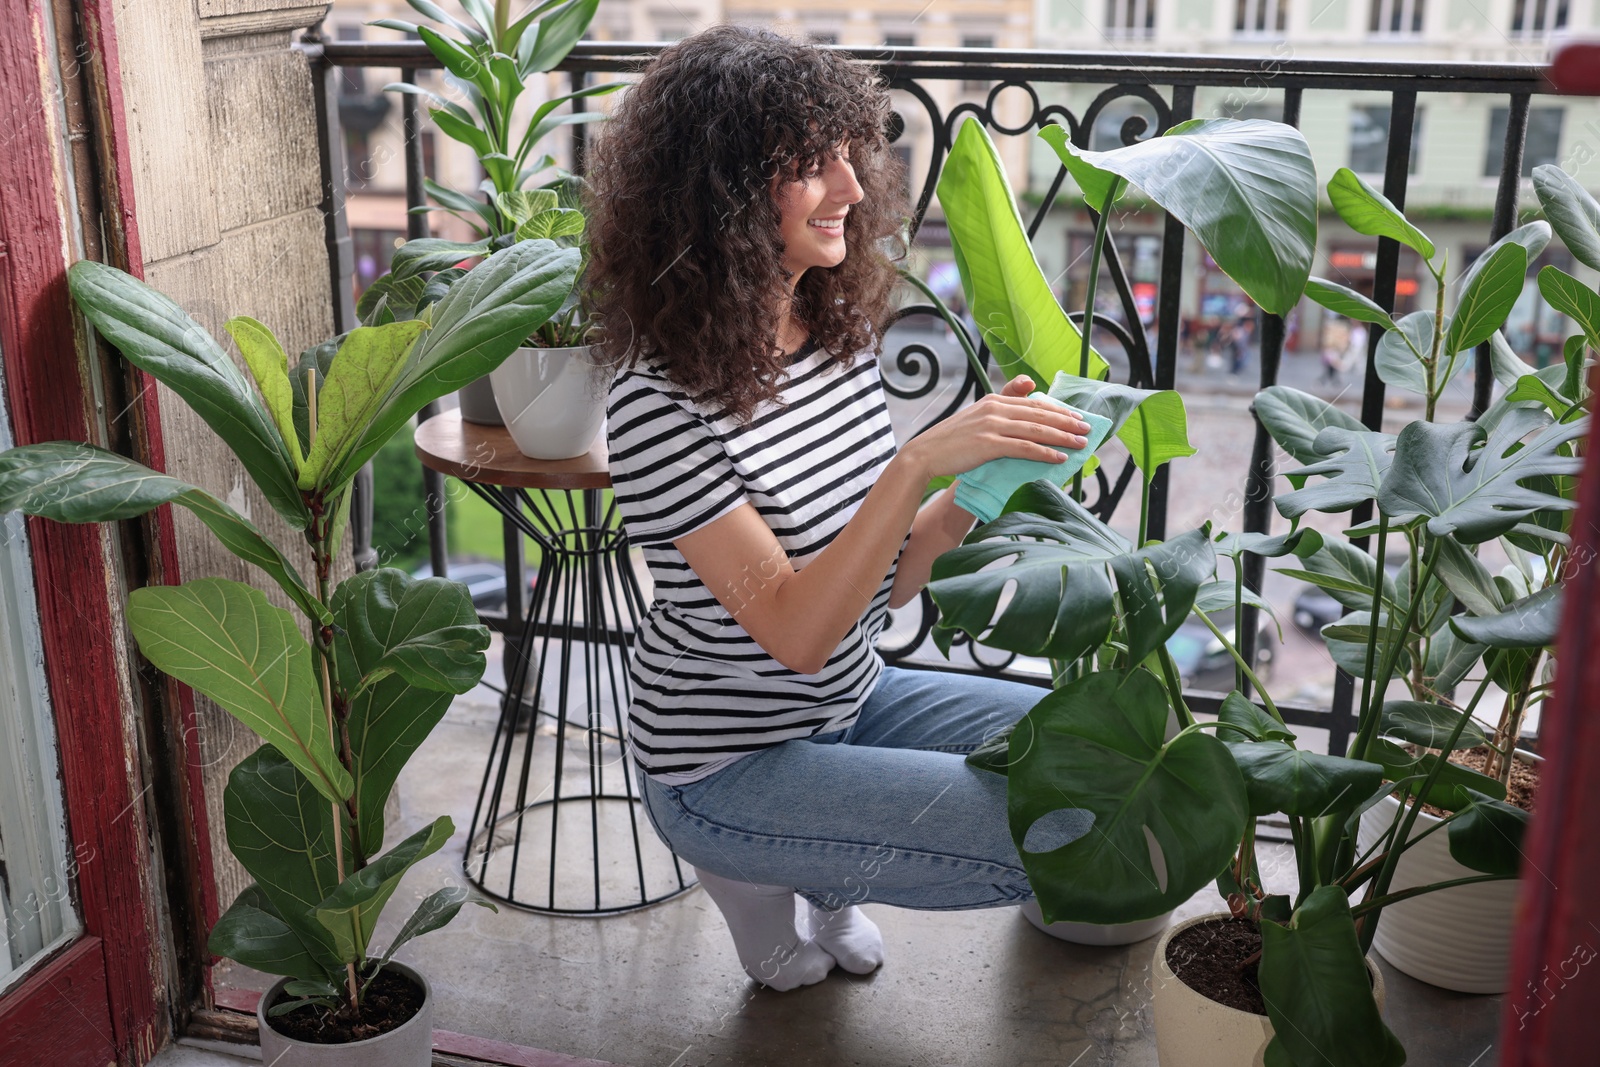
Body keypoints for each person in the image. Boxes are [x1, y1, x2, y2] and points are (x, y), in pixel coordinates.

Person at [584, 26, 1095, 992]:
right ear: (721, 189)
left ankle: (821, 865)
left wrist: (981, 485)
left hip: (853, 702)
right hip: (723, 762)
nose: (853, 188)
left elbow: (882, 580)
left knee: (1087, 764)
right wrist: (913, 467)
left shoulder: (828, 335)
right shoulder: (656, 402)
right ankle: (752, 866)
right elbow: (798, 632)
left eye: (848, 156)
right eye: (810, 166)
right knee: (1041, 834)